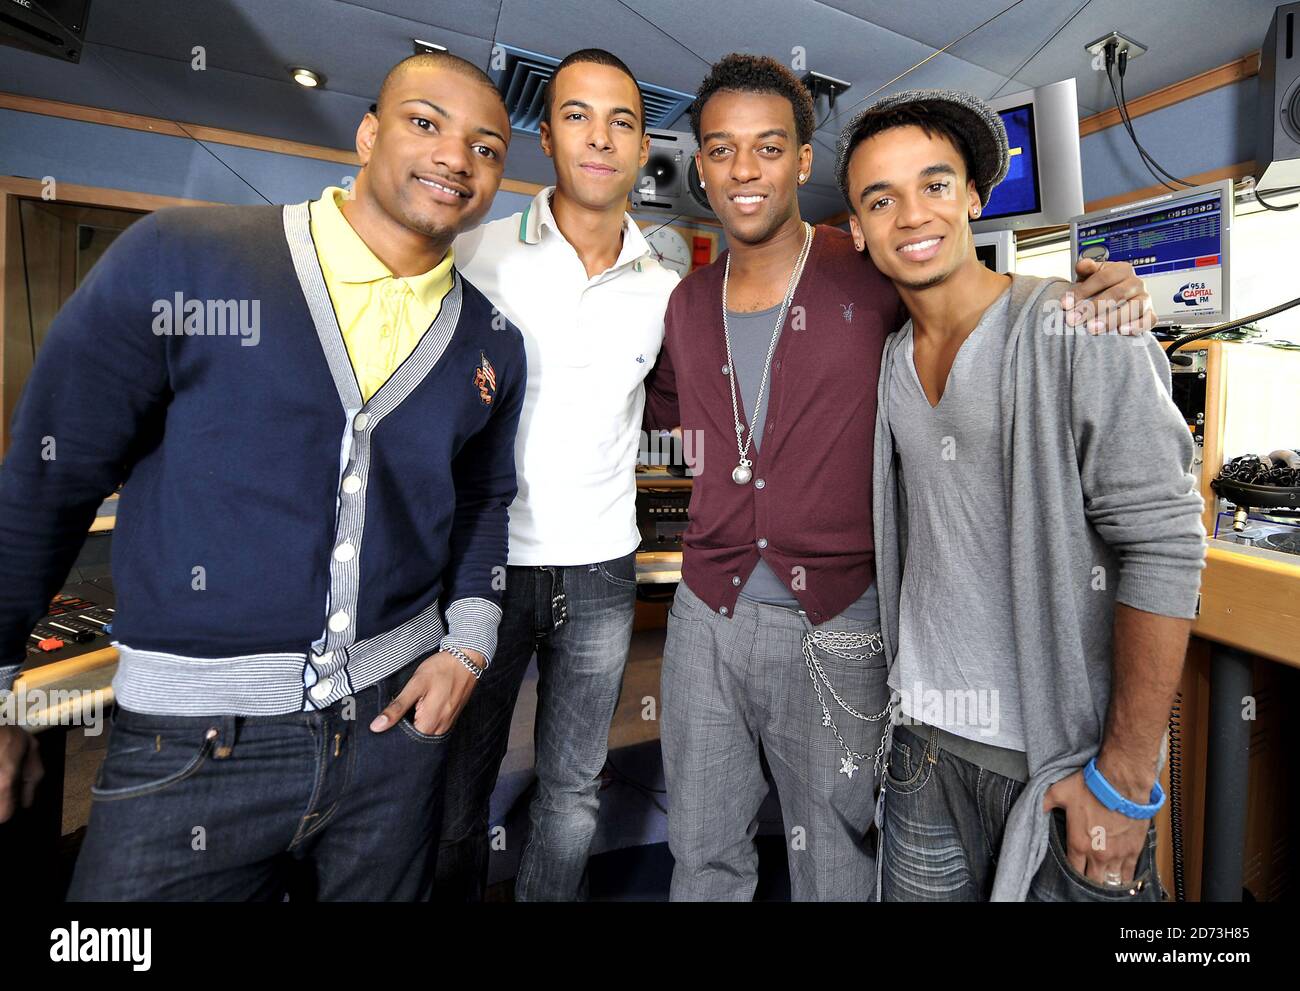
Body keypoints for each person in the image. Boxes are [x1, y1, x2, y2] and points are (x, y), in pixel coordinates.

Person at [0, 51, 526, 901]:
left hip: (393, 734)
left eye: (487, 147)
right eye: (425, 123)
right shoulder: (186, 257)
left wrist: (468, 643)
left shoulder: (493, 341)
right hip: (187, 747)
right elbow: (45, 477)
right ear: (367, 133)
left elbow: (482, 500)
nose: (455, 158)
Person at [642, 55, 1158, 901]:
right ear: (699, 163)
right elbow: (674, 423)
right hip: (707, 610)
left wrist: (1107, 300)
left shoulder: (870, 267)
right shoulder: (685, 302)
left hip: (840, 620)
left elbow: (973, 299)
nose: (745, 170)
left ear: (802, 162)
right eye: (721, 149)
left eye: (769, 146)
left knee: (837, 861)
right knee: (700, 850)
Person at [836, 89, 1205, 901]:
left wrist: (1123, 781)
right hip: (922, 747)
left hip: (1058, 764)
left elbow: (1167, 543)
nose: (912, 215)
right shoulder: (891, 362)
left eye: (934, 185)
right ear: (857, 232)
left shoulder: (1079, 324)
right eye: (880, 198)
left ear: (973, 195)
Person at [436, 48, 679, 901]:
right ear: (548, 136)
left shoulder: (665, 286)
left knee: (574, 789)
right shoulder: (475, 252)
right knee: (457, 787)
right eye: (579, 115)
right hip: (481, 563)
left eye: (622, 121)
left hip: (604, 568)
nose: (600, 138)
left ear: (644, 144)